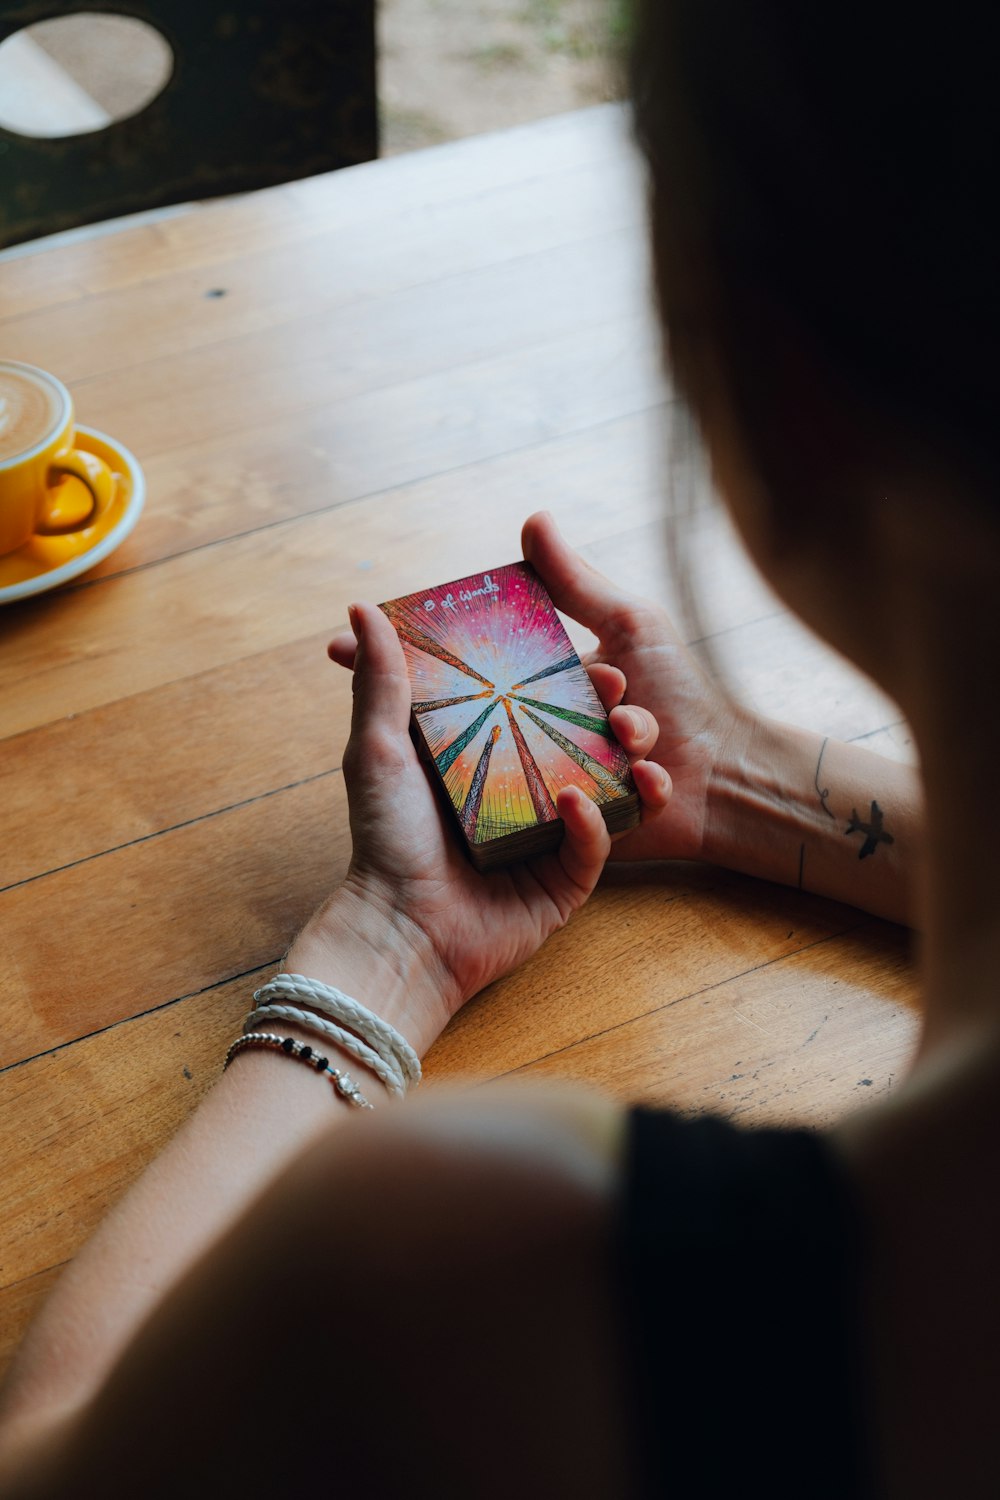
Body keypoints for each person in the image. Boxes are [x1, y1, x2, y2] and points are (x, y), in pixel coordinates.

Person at [0, 3, 996, 1495]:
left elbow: (46, 1453)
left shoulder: (460, 1282)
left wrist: (380, 952)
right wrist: (732, 779)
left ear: (769, 393)